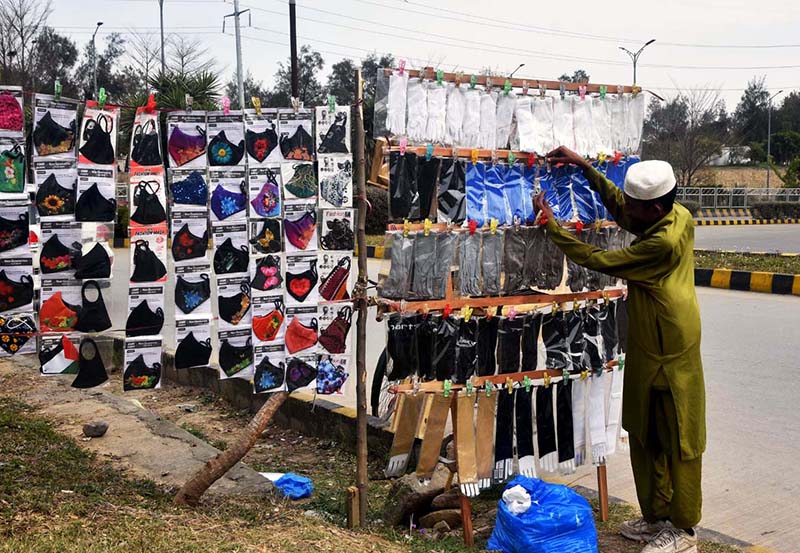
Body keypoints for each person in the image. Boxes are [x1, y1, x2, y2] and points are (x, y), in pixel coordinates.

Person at [534, 146, 705, 553]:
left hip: (672, 347)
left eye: (634, 204)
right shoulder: (672, 213)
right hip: (648, 340)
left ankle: (683, 529)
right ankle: (656, 516)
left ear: (656, 208)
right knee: (643, 429)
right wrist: (584, 167)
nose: (626, 208)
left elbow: (602, 258)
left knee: (680, 435)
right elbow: (621, 206)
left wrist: (554, 228)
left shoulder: (660, 243)